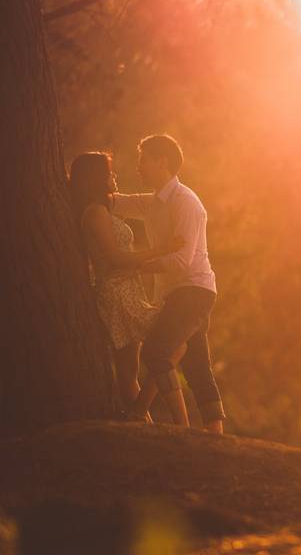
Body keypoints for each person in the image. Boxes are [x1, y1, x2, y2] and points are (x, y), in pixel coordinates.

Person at [112, 134, 227, 433]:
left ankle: (159, 421)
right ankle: (215, 438)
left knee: (155, 352)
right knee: (197, 366)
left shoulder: (186, 202)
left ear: (162, 161)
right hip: (180, 292)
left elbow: (181, 262)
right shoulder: (153, 203)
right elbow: (116, 203)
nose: (139, 167)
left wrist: (136, 267)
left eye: (144, 160)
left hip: (194, 291)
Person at [68, 152, 180, 414]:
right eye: (108, 173)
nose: (113, 176)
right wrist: (161, 250)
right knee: (175, 339)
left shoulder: (102, 210)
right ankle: (141, 415)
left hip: (127, 289)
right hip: (118, 294)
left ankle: (140, 419)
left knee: (130, 371)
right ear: (96, 179)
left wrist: (145, 267)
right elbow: (116, 258)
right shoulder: (94, 213)